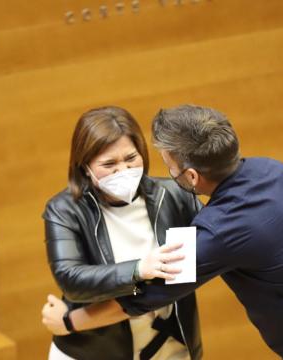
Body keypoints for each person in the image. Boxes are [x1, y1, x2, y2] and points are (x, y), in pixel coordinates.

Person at [43, 104, 283, 360]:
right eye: (109, 164)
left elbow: (146, 297)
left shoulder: (219, 229)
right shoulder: (274, 171)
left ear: (192, 177)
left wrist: (69, 322)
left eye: (165, 163)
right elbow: (71, 274)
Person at [42, 106, 204, 360]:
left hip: (170, 347)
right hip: (94, 351)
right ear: (85, 167)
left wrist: (72, 321)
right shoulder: (64, 210)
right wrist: (139, 268)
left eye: (131, 158)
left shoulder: (175, 196)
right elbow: (70, 279)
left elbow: (205, 255)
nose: (123, 170)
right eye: (109, 164)